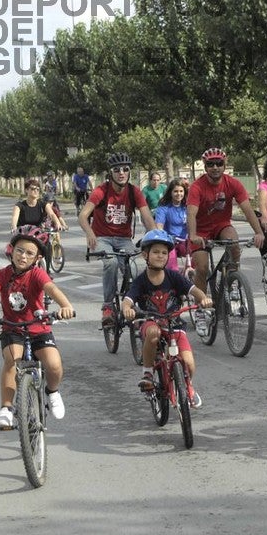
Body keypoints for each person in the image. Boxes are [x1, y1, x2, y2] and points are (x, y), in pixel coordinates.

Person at [0, 226, 75, 429]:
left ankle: (52, 392)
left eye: (30, 253)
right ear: (11, 250)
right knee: (12, 360)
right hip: (13, 329)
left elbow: (51, 289)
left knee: (54, 365)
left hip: (39, 328)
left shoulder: (37, 274)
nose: (23, 256)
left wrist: (66, 306)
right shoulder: (1, 275)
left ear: (37, 258)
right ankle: (6, 409)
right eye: (19, 250)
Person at [122, 229, 213, 406]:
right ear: (145, 255)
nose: (161, 256)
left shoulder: (174, 277)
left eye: (164, 253)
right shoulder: (141, 280)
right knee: (154, 333)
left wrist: (204, 298)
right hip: (151, 322)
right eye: (155, 252)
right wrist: (127, 309)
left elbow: (193, 290)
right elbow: (127, 299)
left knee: (188, 362)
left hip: (174, 324)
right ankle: (148, 372)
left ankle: (188, 387)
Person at [78, 152, 158, 325]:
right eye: (117, 170)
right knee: (111, 262)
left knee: (135, 267)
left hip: (124, 239)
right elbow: (83, 216)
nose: (121, 172)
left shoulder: (134, 192)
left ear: (129, 172)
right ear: (111, 173)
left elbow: (147, 218)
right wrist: (90, 233)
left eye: (125, 169)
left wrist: (154, 237)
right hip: (102, 238)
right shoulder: (101, 190)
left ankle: (132, 302)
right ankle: (107, 306)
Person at [186, 147, 264, 300]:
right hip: (200, 230)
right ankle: (201, 310)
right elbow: (191, 213)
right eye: (210, 164)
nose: (215, 167)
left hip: (221, 225)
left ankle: (232, 280)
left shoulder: (233, 184)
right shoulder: (197, 186)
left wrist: (259, 232)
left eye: (219, 163)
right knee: (201, 268)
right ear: (205, 165)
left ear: (225, 164)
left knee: (233, 242)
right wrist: (193, 235)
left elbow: (248, 210)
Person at [155, 178, 190, 272]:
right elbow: (159, 226)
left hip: (186, 242)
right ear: (170, 192)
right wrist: (161, 233)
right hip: (170, 242)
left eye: (181, 191)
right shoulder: (164, 207)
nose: (179, 194)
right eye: (175, 191)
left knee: (197, 266)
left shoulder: (188, 206)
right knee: (173, 270)